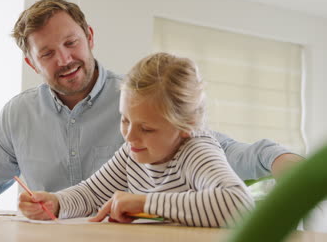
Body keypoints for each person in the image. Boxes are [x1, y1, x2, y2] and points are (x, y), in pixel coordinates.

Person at [0, 0, 302, 209]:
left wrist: (282, 161)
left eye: (70, 43)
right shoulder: (16, 116)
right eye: (47, 53)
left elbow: (220, 150)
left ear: (89, 36)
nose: (65, 59)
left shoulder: (140, 102)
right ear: (31, 62)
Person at [18, 52, 255, 227]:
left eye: (147, 129)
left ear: (186, 126)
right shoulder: (132, 152)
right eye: (125, 120)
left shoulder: (195, 150)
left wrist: (143, 203)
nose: (130, 136)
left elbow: (239, 204)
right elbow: (92, 194)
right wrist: (56, 203)